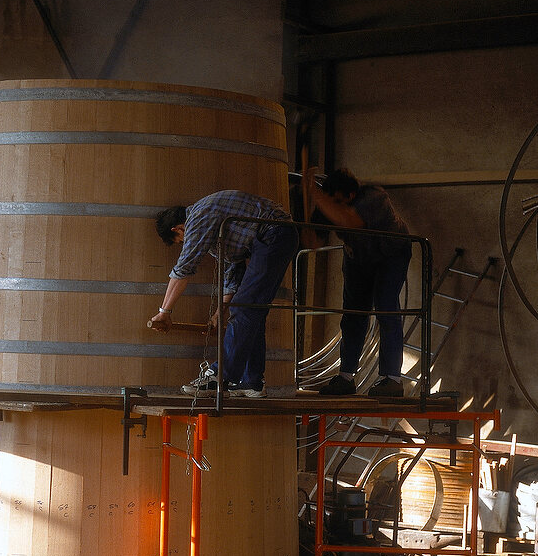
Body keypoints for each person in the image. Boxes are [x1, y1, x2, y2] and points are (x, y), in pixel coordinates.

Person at [151, 190, 299, 397]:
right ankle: (251, 381)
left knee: (245, 308)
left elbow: (185, 266)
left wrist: (164, 311)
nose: (185, 243)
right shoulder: (216, 222)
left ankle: (219, 377)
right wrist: (220, 312)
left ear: (178, 228)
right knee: (253, 310)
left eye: (180, 240)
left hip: (274, 233)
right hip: (277, 235)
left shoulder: (198, 218)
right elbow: (232, 272)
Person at [305, 167, 412, 397]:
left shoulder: (374, 197)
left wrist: (314, 194)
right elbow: (312, 242)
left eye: (335, 201)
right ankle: (346, 378)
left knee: (386, 309)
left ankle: (392, 378)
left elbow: (349, 220)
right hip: (358, 259)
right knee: (352, 315)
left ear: (350, 196)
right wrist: (307, 207)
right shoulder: (330, 204)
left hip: (390, 255)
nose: (330, 206)